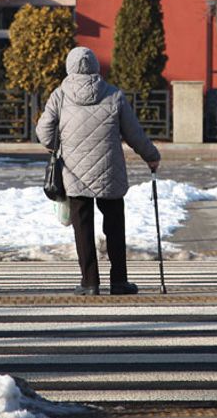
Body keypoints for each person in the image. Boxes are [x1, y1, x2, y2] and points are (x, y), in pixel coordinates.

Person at [36, 46, 161, 296]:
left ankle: (90, 282)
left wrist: (58, 145)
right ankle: (119, 281)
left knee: (82, 227)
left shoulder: (59, 96)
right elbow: (134, 134)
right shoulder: (114, 95)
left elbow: (44, 133)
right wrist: (151, 156)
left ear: (69, 67)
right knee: (114, 225)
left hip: (74, 174)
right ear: (96, 66)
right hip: (109, 172)